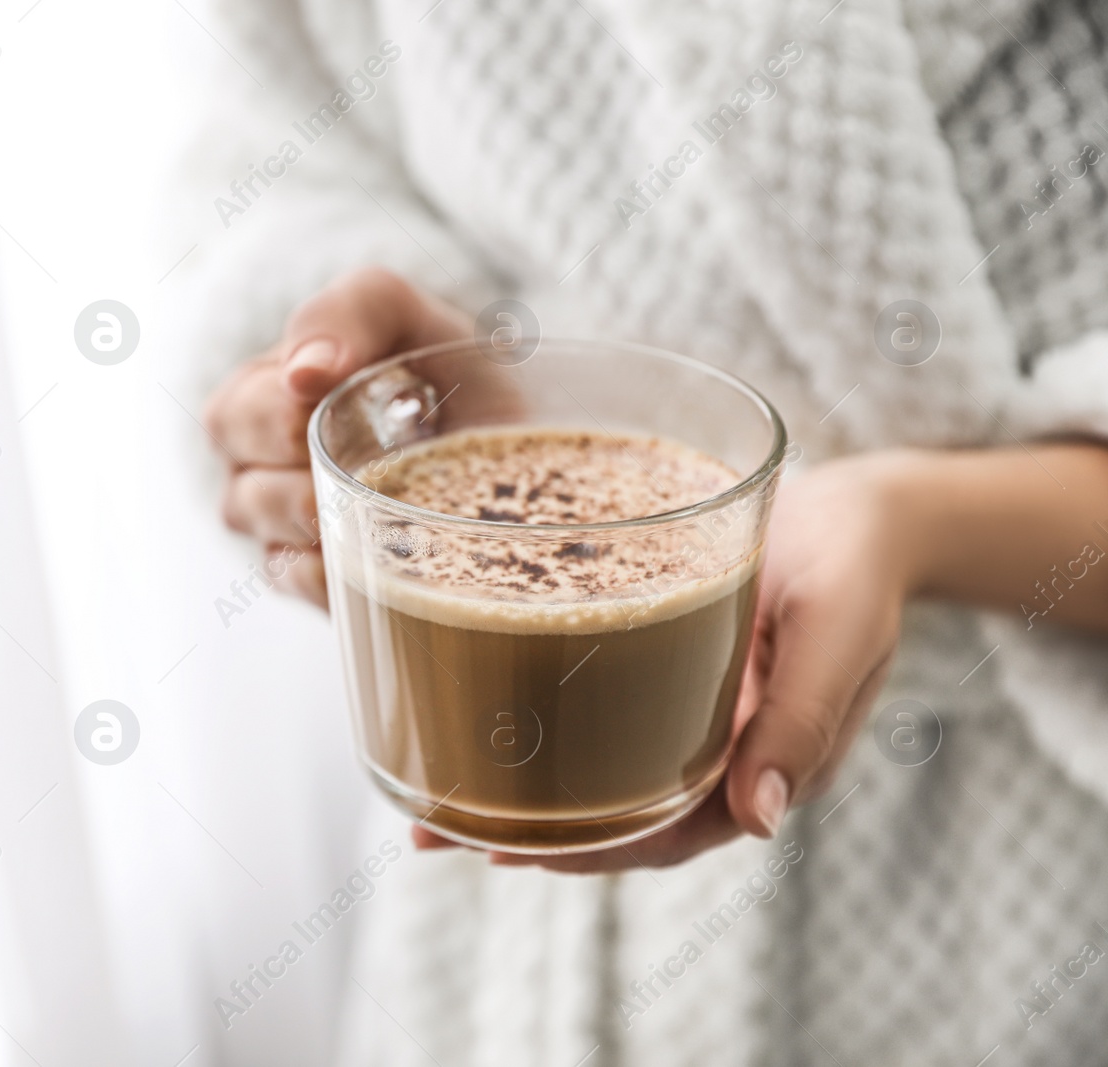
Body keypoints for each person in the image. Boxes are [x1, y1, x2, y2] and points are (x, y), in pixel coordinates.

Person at [187, 0, 1108, 1062]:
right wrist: (358, 385)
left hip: (1021, 858)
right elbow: (275, 153)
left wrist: (917, 522)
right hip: (501, 873)